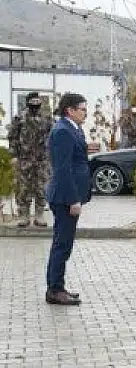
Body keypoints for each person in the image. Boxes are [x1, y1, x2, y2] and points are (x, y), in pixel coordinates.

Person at [44, 93, 91, 306]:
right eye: (82, 108)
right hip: (64, 197)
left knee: (63, 243)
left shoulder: (72, 128)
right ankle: (55, 290)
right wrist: (73, 199)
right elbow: (63, 169)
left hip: (68, 195)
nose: (85, 112)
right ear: (70, 110)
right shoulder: (63, 131)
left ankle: (57, 287)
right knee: (62, 244)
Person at [12, 92, 54, 228]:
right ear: (28, 102)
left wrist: (50, 154)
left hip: (42, 161)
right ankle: (24, 215)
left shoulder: (47, 118)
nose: (35, 104)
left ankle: (39, 215)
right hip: (25, 160)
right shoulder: (20, 118)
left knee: (41, 188)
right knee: (23, 188)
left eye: (38, 101)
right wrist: (15, 155)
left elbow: (53, 137)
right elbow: (12, 137)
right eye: (33, 101)